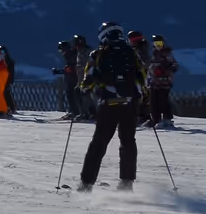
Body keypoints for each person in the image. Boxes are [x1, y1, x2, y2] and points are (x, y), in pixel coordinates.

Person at [78, 23, 145, 190]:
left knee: (99, 143)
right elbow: (143, 76)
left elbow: (90, 78)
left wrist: (83, 88)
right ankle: (126, 183)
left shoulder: (98, 53)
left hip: (108, 104)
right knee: (128, 141)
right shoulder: (132, 52)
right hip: (129, 104)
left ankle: (86, 183)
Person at [147, 35, 178, 130]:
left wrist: (166, 70)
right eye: (156, 44)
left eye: (159, 43)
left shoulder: (167, 54)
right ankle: (156, 119)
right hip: (153, 81)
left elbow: (175, 65)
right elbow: (149, 65)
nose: (158, 45)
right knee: (153, 101)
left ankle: (167, 119)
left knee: (162, 100)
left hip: (164, 82)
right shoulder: (153, 54)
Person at [52, 40, 80, 120]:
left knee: (71, 95)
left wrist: (59, 71)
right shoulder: (71, 54)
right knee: (71, 95)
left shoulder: (70, 55)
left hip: (73, 79)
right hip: (72, 78)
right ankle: (74, 111)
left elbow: (71, 68)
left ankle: (75, 112)